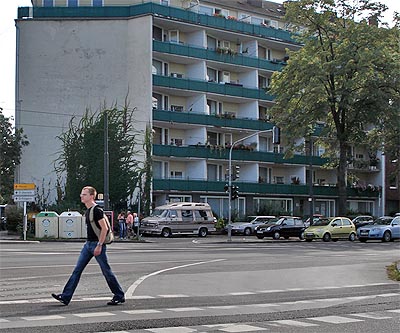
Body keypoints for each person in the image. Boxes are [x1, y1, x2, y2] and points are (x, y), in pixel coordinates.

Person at [52, 186, 125, 306]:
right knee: (77, 270)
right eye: (81, 194)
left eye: (84, 194)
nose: (81, 196)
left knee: (106, 271)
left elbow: (104, 228)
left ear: (91, 196)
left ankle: (119, 295)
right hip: (88, 245)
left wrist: (99, 245)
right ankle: (65, 296)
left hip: (96, 244)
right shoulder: (88, 210)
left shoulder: (97, 210)